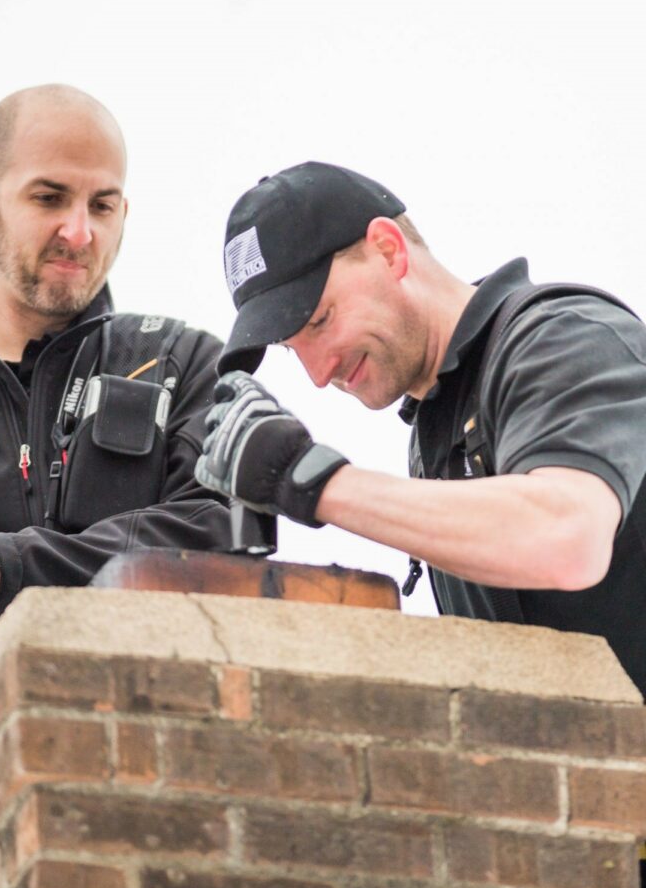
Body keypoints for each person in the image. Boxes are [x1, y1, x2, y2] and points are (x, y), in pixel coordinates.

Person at [196, 160, 646, 697]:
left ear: (389, 249)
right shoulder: (434, 434)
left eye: (320, 321)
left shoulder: (562, 336)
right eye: (294, 353)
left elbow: (566, 537)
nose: (318, 375)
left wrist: (311, 480)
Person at [0, 84, 254, 631]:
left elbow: (225, 536)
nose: (79, 232)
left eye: (101, 205)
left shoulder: (188, 365)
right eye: (49, 197)